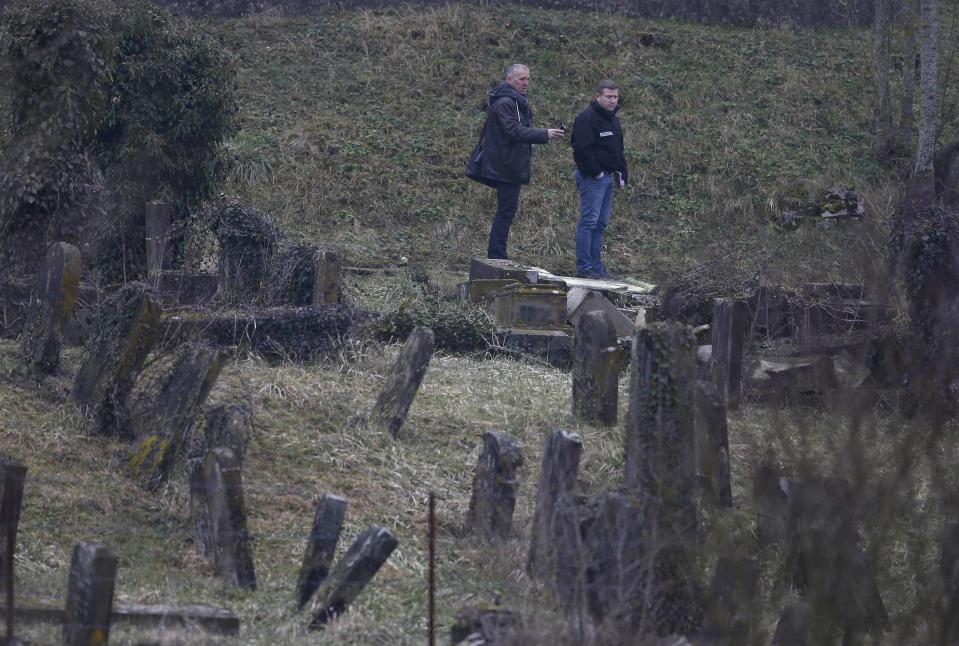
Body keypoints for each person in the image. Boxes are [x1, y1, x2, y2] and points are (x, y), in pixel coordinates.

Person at [472, 64, 565, 260]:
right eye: (522, 79)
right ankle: (497, 257)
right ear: (509, 80)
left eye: (528, 79)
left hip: (509, 164)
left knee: (506, 211)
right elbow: (514, 130)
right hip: (505, 166)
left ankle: (498, 255)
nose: (526, 83)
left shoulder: (514, 100)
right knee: (505, 212)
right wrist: (544, 134)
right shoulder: (506, 102)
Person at [570, 80, 628, 279]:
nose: (612, 100)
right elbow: (581, 150)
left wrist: (622, 172)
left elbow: (618, 149)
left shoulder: (613, 120)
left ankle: (597, 268)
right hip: (593, 179)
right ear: (598, 97)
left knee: (601, 223)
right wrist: (596, 173)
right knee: (589, 222)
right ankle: (584, 268)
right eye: (608, 97)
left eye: (615, 97)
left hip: (608, 179)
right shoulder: (586, 118)